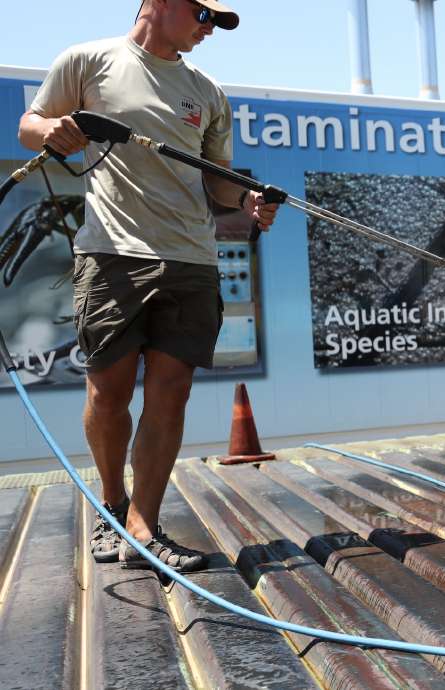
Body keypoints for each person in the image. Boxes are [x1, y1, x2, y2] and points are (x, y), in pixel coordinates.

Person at [17, 0, 278, 572]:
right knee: (108, 391)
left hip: (191, 260)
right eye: (203, 16)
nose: (209, 30)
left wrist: (249, 200)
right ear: (158, 4)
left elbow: (219, 183)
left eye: (216, 23)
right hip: (112, 255)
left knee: (172, 392)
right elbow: (30, 126)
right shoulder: (88, 60)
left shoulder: (207, 91)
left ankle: (143, 526)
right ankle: (112, 505)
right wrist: (55, 131)